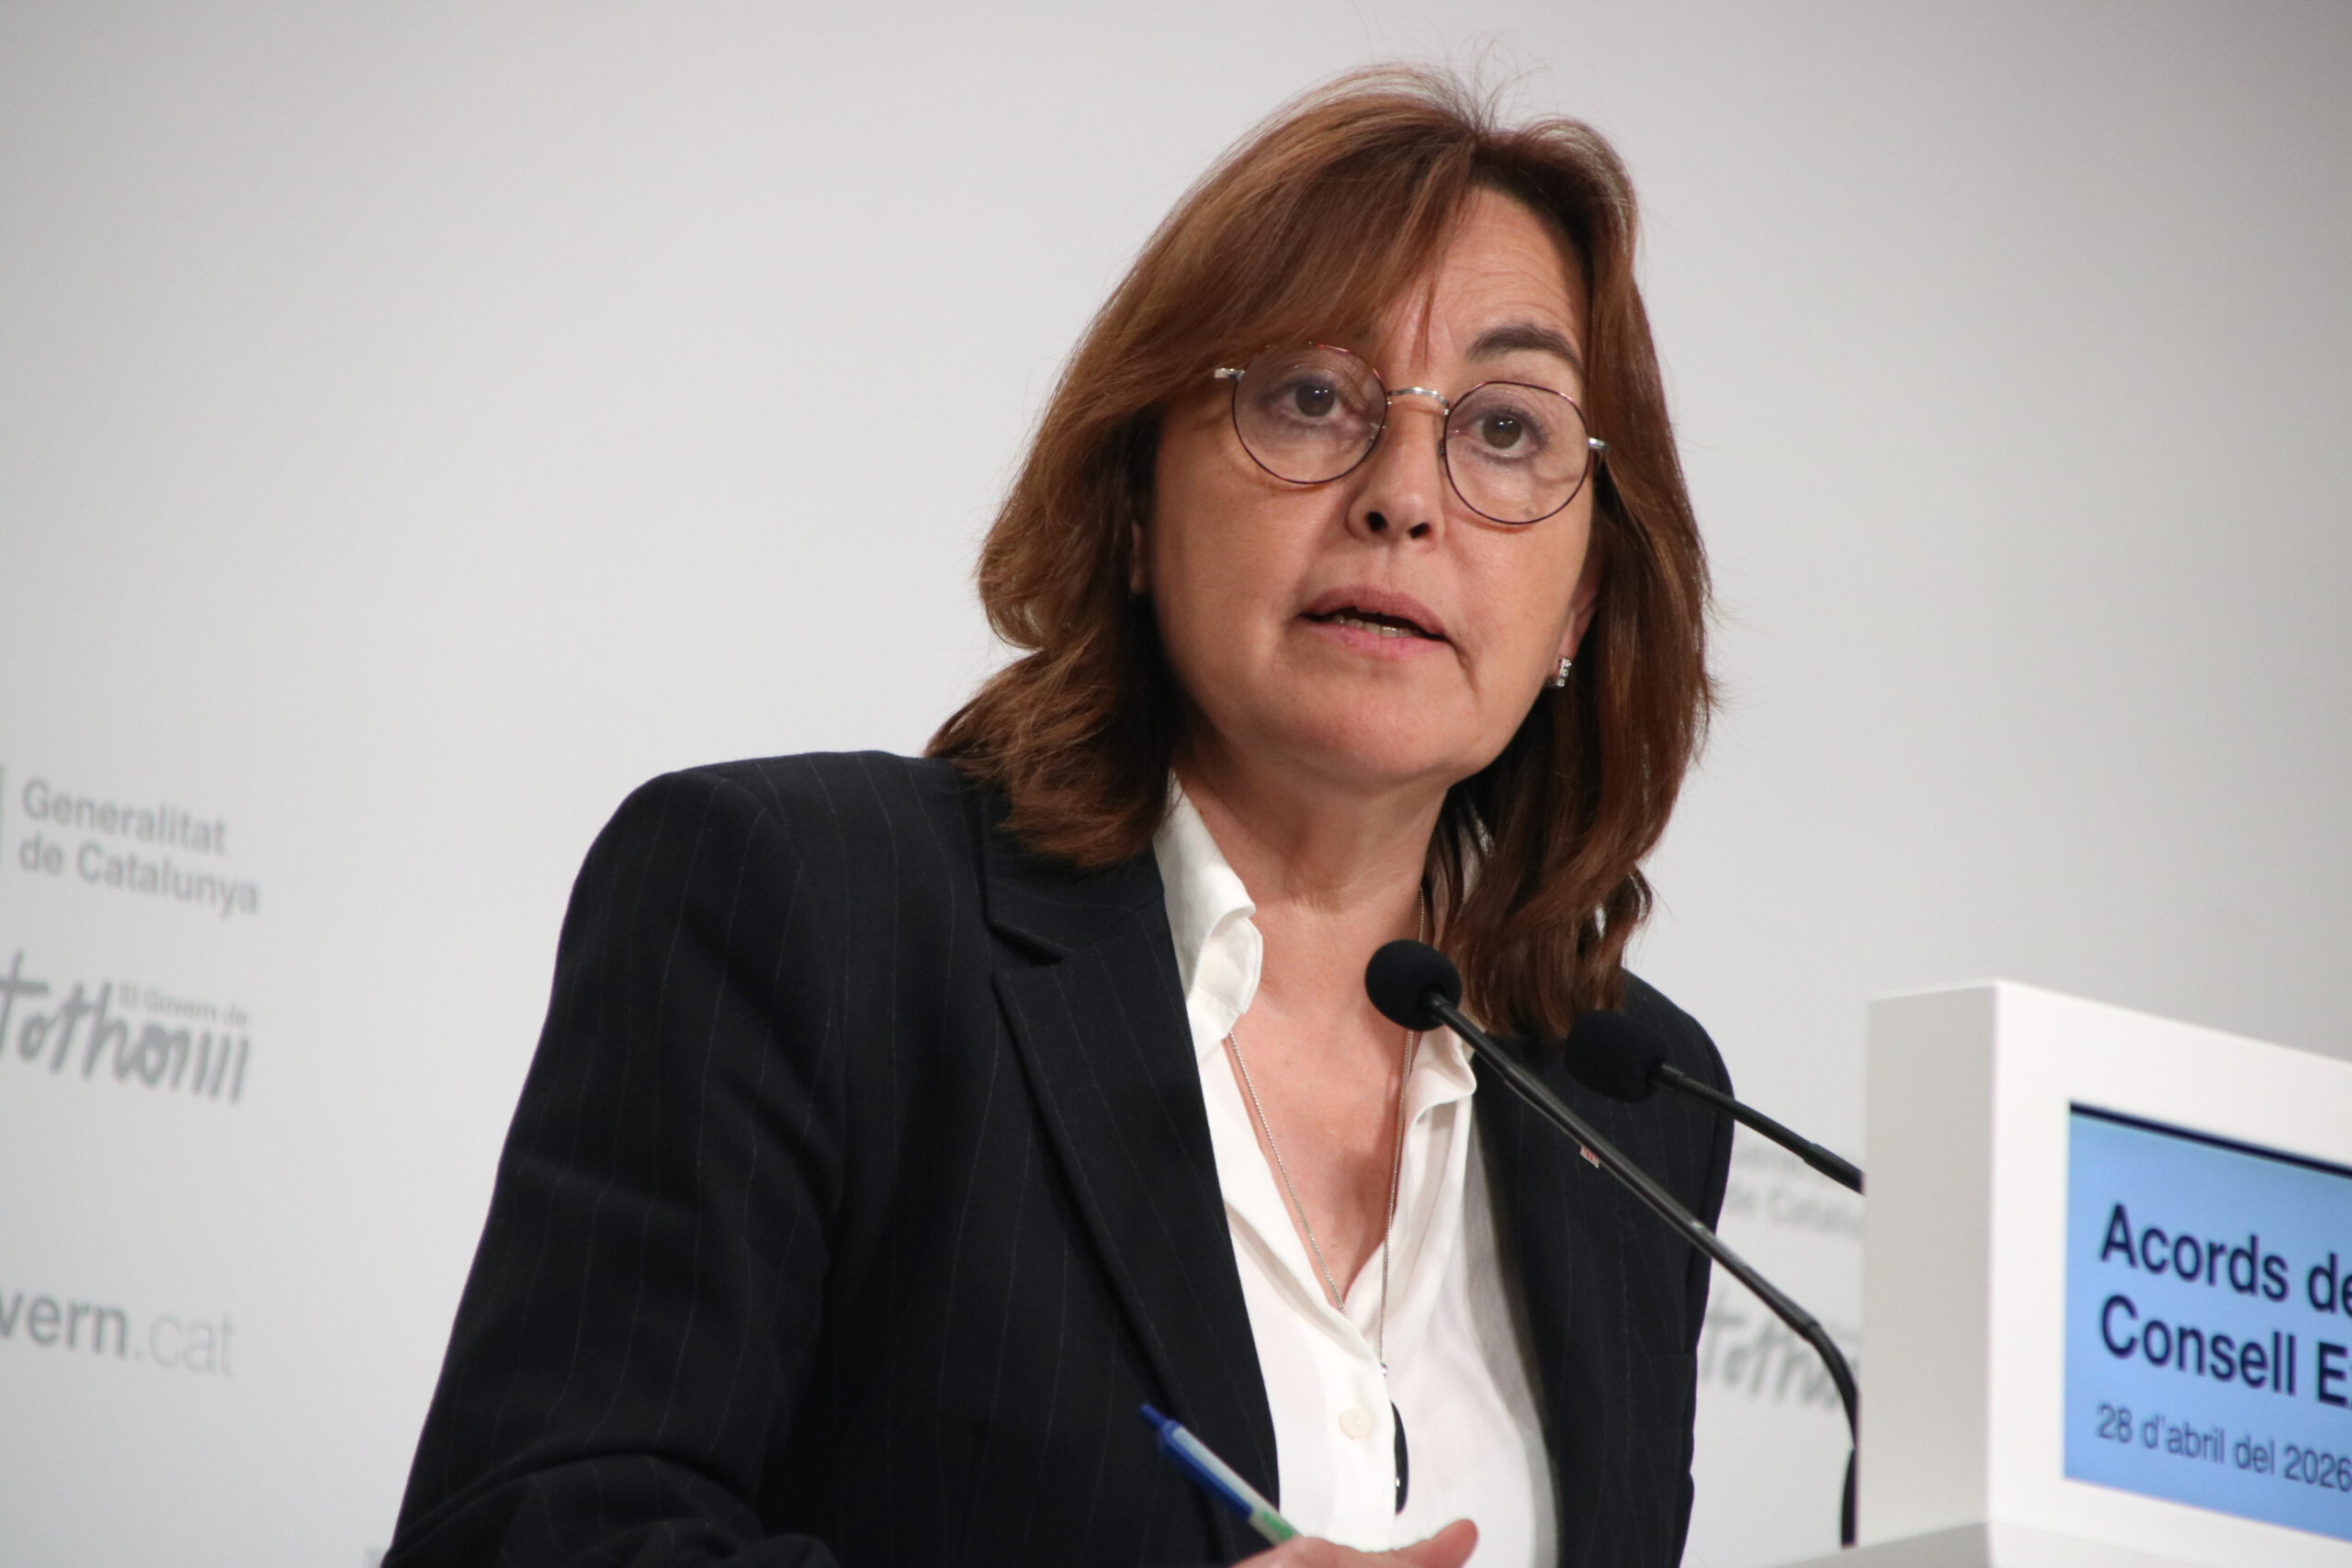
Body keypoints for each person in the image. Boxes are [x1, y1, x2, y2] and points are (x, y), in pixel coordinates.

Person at [384, 66, 1729, 1568]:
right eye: (1311, 397)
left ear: (1583, 603)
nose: (1404, 497)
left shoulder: (1636, 1110)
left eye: (1507, 429)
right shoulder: (802, 910)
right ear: (1137, 504)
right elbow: (530, 1538)